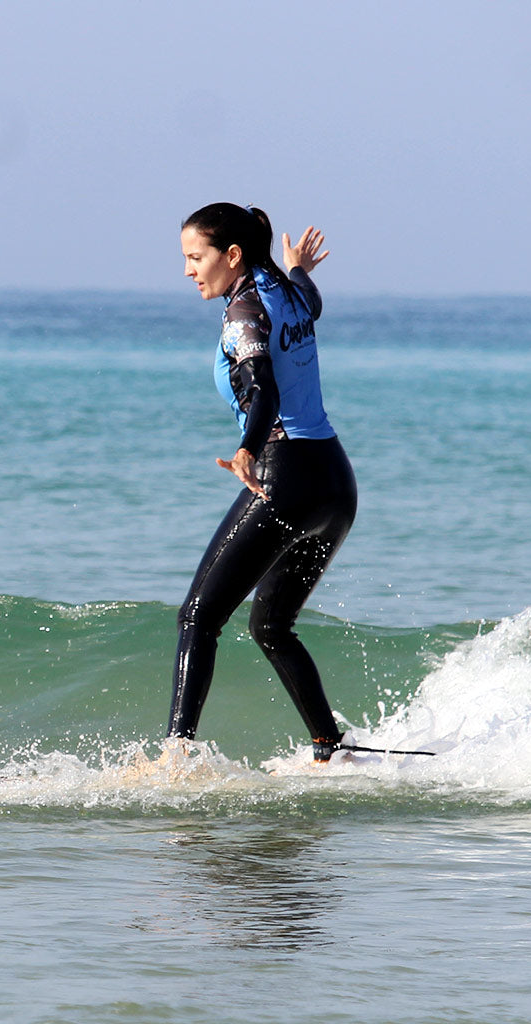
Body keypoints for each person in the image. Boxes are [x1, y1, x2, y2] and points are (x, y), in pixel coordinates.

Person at [167, 202, 357, 763]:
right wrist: (296, 267)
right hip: (335, 484)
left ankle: (176, 758)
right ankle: (330, 750)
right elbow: (311, 303)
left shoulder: (243, 312)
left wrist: (249, 446)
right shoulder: (288, 293)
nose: (187, 270)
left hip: (288, 476)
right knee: (271, 625)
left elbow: (264, 388)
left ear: (232, 255)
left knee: (198, 617)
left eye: (195, 257)